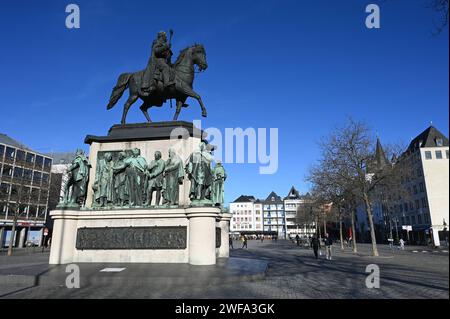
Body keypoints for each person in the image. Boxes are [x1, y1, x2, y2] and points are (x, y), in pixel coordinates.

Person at [142, 30, 174, 95]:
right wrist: (166, 47)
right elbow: (156, 51)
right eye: (165, 36)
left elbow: (167, 56)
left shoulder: (164, 44)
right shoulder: (157, 42)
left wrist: (169, 53)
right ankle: (166, 83)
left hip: (163, 60)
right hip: (157, 60)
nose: (166, 38)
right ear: (162, 36)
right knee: (165, 67)